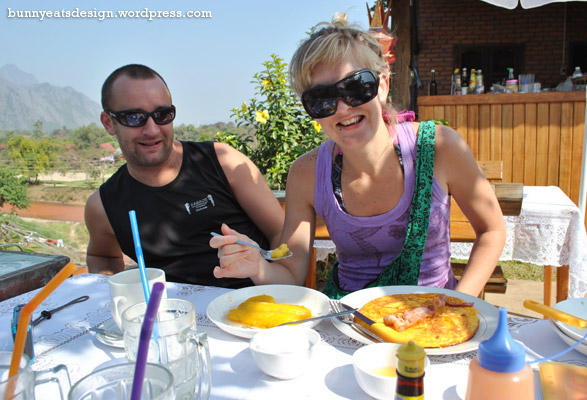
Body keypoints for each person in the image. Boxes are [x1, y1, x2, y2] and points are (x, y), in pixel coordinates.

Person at [210, 14, 506, 298]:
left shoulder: (440, 147)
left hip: (434, 316)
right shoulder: (306, 173)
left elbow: (492, 230)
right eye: (321, 99)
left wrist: (457, 303)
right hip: (347, 319)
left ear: (382, 85)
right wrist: (259, 267)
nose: (342, 108)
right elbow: (291, 273)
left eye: (355, 87)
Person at [85, 64, 284, 288]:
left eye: (162, 115)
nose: (152, 130)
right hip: (169, 308)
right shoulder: (103, 205)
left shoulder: (223, 162)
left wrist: (281, 281)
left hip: (254, 301)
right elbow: (102, 256)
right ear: (108, 123)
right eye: (134, 117)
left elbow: (281, 232)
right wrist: (114, 291)